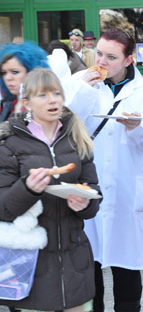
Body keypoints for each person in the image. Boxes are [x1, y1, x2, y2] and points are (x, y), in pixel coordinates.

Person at [64, 28, 143, 312]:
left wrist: (138, 127)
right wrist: (86, 90)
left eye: (111, 56)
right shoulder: (77, 82)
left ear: (129, 60)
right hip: (86, 185)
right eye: (99, 53)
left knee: (126, 267)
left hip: (126, 185)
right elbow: (63, 126)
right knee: (88, 265)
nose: (102, 61)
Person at [0, 68, 101, 312]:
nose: (53, 100)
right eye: (43, 95)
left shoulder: (77, 137)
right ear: (27, 104)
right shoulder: (9, 144)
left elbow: (94, 193)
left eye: (56, 93)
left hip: (75, 258)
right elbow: (3, 209)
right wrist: (28, 189)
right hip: (31, 263)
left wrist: (86, 203)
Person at [0, 42, 50, 121]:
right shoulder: (6, 105)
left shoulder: (44, 105)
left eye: (15, 72)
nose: (8, 78)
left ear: (31, 72)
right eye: (4, 73)